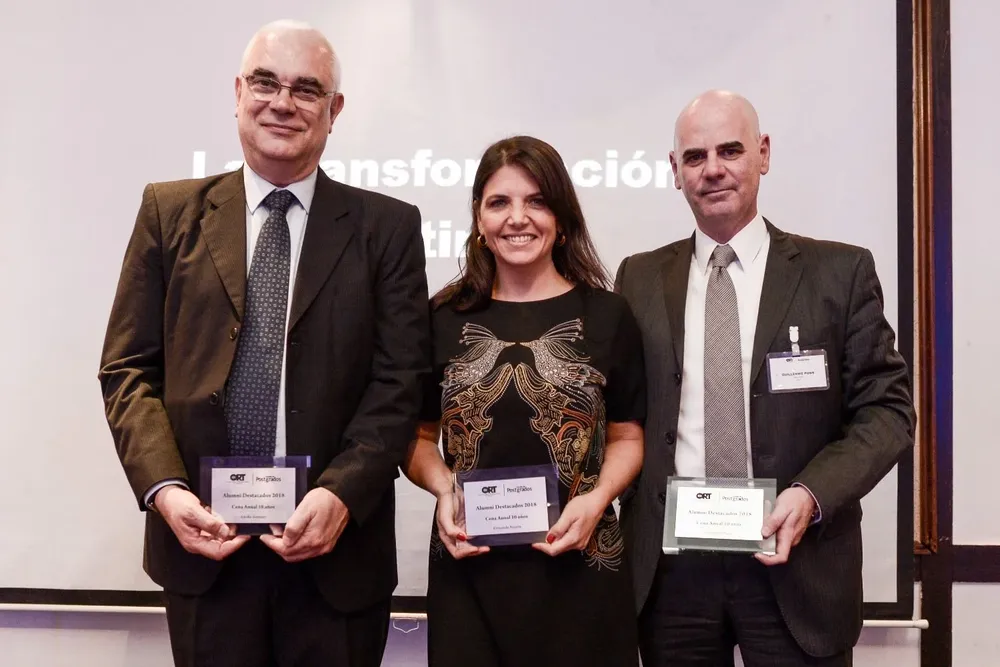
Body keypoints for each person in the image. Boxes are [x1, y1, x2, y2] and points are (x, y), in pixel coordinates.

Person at [98, 20, 430, 667]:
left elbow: (400, 382)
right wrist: (165, 489)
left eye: (307, 89)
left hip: (336, 555)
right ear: (238, 92)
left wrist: (340, 493)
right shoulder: (168, 213)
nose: (283, 102)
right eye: (266, 83)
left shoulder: (387, 228)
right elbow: (128, 370)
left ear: (334, 111)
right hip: (205, 550)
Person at [615, 90, 915, 667]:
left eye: (730, 150)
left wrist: (811, 495)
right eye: (696, 157)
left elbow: (887, 413)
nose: (714, 169)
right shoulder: (639, 277)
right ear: (675, 171)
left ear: (764, 154)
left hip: (794, 563)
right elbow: (621, 413)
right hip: (673, 572)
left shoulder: (839, 272)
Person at [402, 135, 646, 666]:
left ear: (561, 217)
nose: (518, 218)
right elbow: (417, 438)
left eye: (536, 201)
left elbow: (628, 437)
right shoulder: (442, 317)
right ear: (478, 219)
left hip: (582, 571)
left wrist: (597, 498)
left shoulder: (608, 316)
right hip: (470, 573)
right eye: (499, 202)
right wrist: (444, 487)